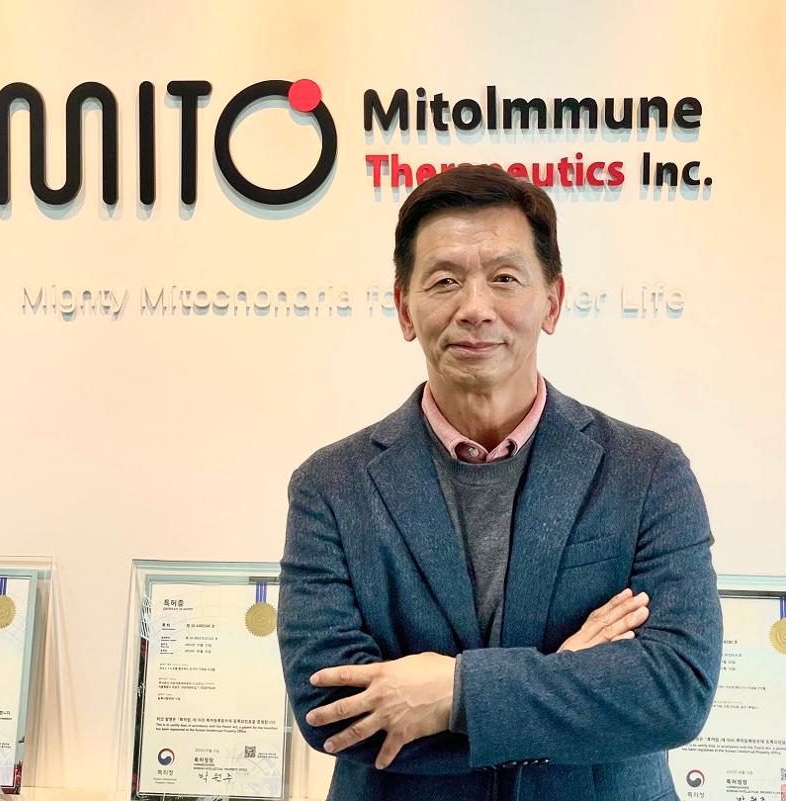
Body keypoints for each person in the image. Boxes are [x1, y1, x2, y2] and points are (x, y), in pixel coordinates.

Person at [277, 165, 721, 801]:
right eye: (445, 281)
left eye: (505, 278)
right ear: (404, 308)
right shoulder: (330, 487)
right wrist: (568, 678)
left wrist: (455, 693)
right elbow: (335, 712)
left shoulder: (648, 471)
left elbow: (675, 690)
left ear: (552, 302)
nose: (475, 309)